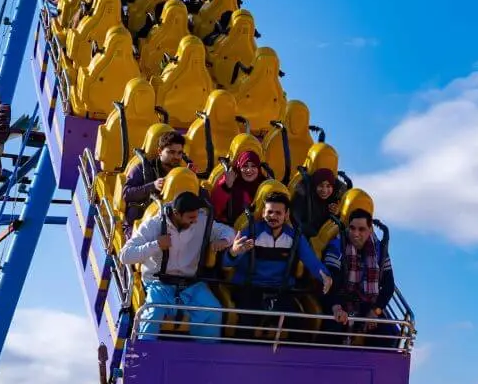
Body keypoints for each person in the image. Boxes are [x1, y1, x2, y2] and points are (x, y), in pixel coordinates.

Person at [119, 191, 251, 340]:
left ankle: (204, 357)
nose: (195, 221)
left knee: (213, 310)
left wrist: (224, 240)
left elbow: (229, 232)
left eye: (196, 216)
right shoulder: (154, 225)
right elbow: (125, 255)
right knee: (152, 312)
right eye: (191, 218)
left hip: (190, 284)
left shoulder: (200, 220)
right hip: (159, 283)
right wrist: (156, 244)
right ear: (176, 214)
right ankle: (144, 355)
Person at [223, 192, 332, 337]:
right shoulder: (252, 231)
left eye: (278, 213)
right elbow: (226, 262)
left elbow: (312, 261)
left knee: (298, 325)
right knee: (246, 322)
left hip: (280, 291)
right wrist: (234, 252)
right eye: (269, 212)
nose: (273, 216)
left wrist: (325, 277)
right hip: (250, 289)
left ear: (286, 215)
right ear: (263, 213)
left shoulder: (295, 238)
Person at [321, 209, 398, 347]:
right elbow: (329, 282)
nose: (355, 234)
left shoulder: (380, 250)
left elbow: (389, 285)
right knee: (331, 331)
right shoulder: (337, 245)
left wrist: (376, 311)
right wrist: (337, 308)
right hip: (340, 300)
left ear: (370, 229)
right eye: (352, 228)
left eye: (361, 229)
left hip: (368, 304)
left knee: (389, 335)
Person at [121, 130, 188, 233]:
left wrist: (192, 178)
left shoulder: (182, 174)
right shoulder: (142, 169)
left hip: (171, 228)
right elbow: (126, 193)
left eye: (179, 153)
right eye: (171, 152)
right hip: (140, 226)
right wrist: (152, 186)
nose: (176, 157)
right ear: (160, 151)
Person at [210, 150, 265, 225]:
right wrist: (227, 186)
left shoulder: (264, 185)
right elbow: (214, 210)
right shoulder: (229, 181)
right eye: (245, 166)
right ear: (239, 167)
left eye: (253, 166)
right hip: (230, 228)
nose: (249, 170)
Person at [291, 167, 344, 237]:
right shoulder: (305, 196)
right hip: (306, 235)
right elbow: (296, 216)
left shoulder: (336, 198)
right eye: (321, 186)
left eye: (328, 186)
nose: (324, 190)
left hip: (327, 237)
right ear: (315, 185)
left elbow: (342, 222)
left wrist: (338, 213)